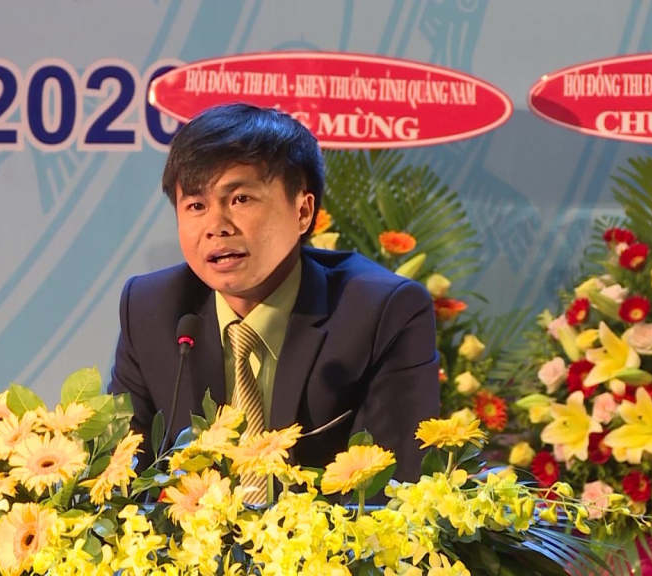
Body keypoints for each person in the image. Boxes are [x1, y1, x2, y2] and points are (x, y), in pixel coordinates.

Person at [108, 103, 439, 492]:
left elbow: (393, 490)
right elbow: (120, 478)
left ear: (303, 212)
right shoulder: (151, 310)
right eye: (196, 205)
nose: (216, 226)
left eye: (240, 199)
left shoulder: (381, 313)